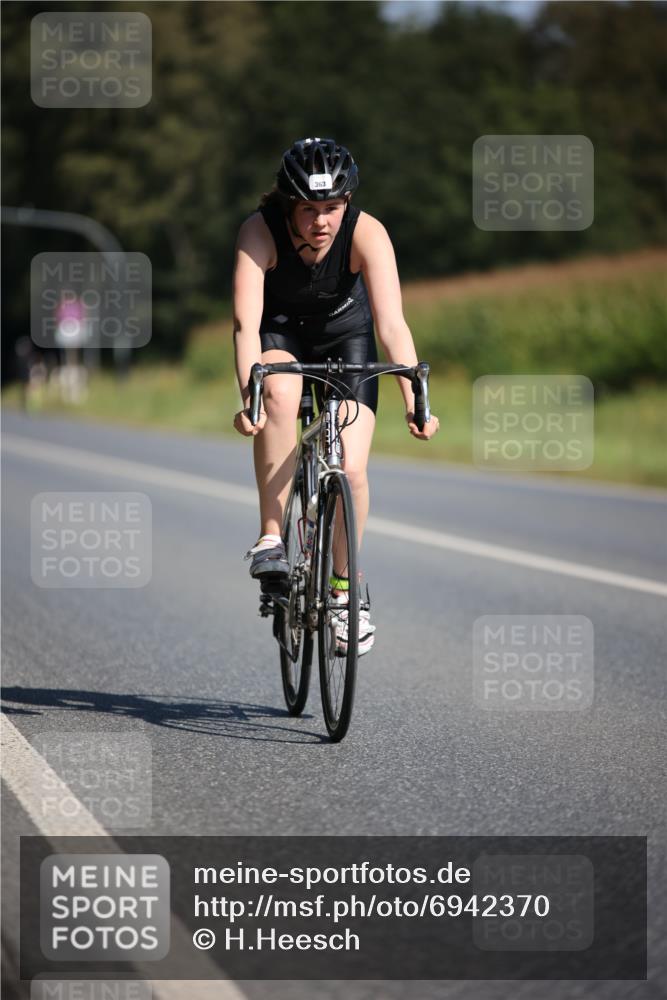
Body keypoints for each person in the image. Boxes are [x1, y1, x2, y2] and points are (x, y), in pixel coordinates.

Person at [232, 137, 440, 655]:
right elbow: (245, 324)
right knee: (279, 393)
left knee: (350, 468)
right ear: (288, 206)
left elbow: (392, 324)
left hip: (347, 337)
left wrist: (416, 398)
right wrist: (249, 398)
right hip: (281, 333)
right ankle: (273, 538)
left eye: (331, 208)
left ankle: (347, 597)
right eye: (308, 209)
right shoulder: (259, 232)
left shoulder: (367, 232)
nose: (320, 222)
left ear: (347, 204)